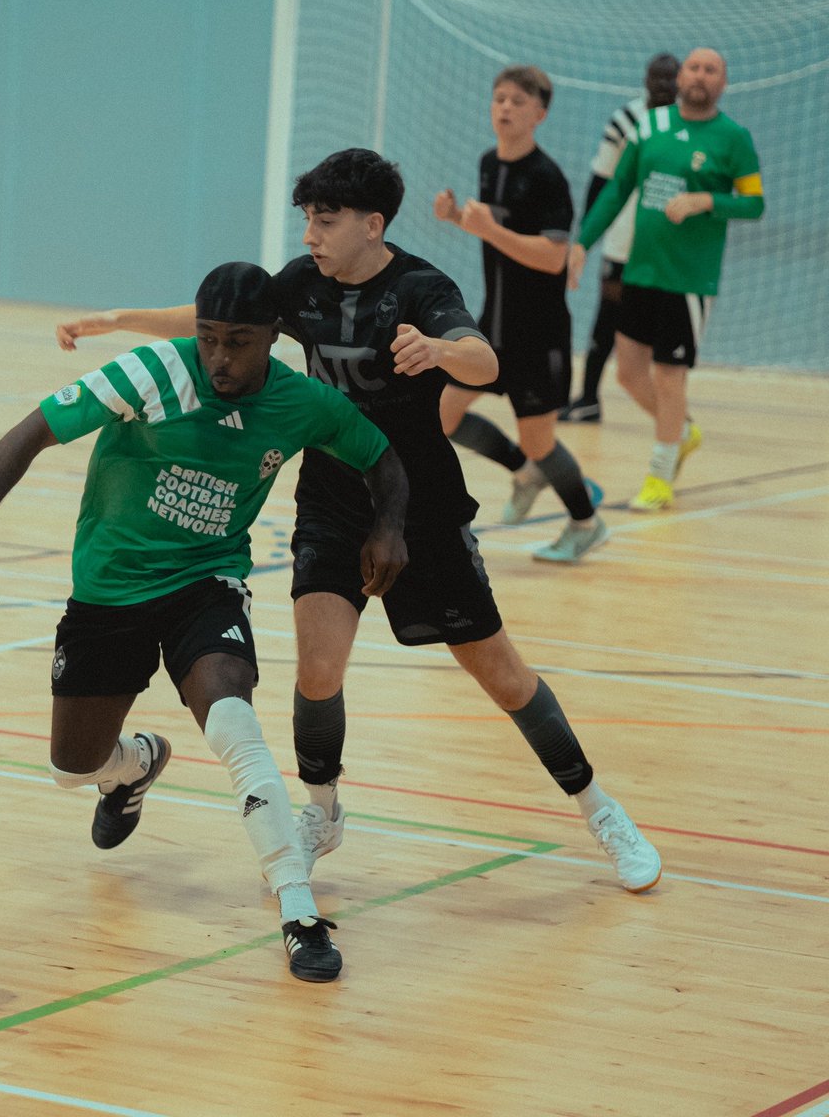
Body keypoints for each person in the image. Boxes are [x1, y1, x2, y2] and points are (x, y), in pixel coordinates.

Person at [56, 148, 663, 896]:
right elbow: (212, 320)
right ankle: (322, 809)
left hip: (423, 510)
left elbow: (483, 362)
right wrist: (116, 320)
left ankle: (599, 809)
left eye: (327, 218)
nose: (311, 232)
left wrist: (437, 348)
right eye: (308, 218)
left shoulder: (419, 288)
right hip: (334, 501)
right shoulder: (302, 286)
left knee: (503, 676)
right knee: (317, 669)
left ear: (373, 225)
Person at [0, 261, 410, 983]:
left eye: (238, 342)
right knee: (70, 768)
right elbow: (27, 435)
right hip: (110, 589)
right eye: (209, 338)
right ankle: (134, 766)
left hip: (205, 583)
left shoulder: (303, 403)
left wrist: (390, 525)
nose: (219, 357)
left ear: (273, 338)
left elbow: (384, 460)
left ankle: (299, 914)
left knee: (233, 722)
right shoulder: (150, 373)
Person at [570, 47, 765, 511]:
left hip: (689, 280)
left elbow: (754, 203)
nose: (700, 76)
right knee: (629, 374)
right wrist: (583, 242)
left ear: (723, 82)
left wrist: (707, 202)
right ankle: (681, 432)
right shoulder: (649, 128)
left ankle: (659, 477)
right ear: (681, 77)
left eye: (711, 70)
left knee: (669, 376)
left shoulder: (734, 138)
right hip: (642, 269)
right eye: (694, 68)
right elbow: (618, 189)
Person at [433, 65, 608, 564]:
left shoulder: (547, 177)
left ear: (540, 114)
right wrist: (456, 219)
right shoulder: (490, 163)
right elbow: (498, 233)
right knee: (440, 414)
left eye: (516, 101)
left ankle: (585, 522)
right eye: (499, 99)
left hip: (539, 334)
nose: (505, 108)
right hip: (494, 328)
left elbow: (552, 256)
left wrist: (486, 229)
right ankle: (522, 471)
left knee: (542, 440)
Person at [560, 53, 680, 424]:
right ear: (644, 79)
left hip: (670, 249)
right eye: (655, 77)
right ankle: (589, 398)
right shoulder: (626, 120)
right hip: (623, 243)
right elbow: (601, 181)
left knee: (666, 328)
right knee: (606, 317)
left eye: (669, 77)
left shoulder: (690, 126)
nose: (661, 84)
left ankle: (672, 410)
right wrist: (584, 240)